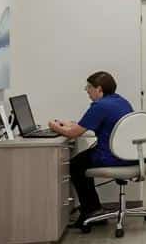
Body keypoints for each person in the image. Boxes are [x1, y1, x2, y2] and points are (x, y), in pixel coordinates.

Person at [48, 71, 135, 230]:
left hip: (112, 156)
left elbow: (74, 133)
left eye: (89, 87)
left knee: (76, 165)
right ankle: (93, 209)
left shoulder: (100, 106)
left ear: (99, 89)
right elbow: (83, 127)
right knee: (81, 161)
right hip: (131, 155)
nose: (87, 90)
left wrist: (54, 126)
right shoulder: (121, 101)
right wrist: (69, 125)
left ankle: (91, 211)